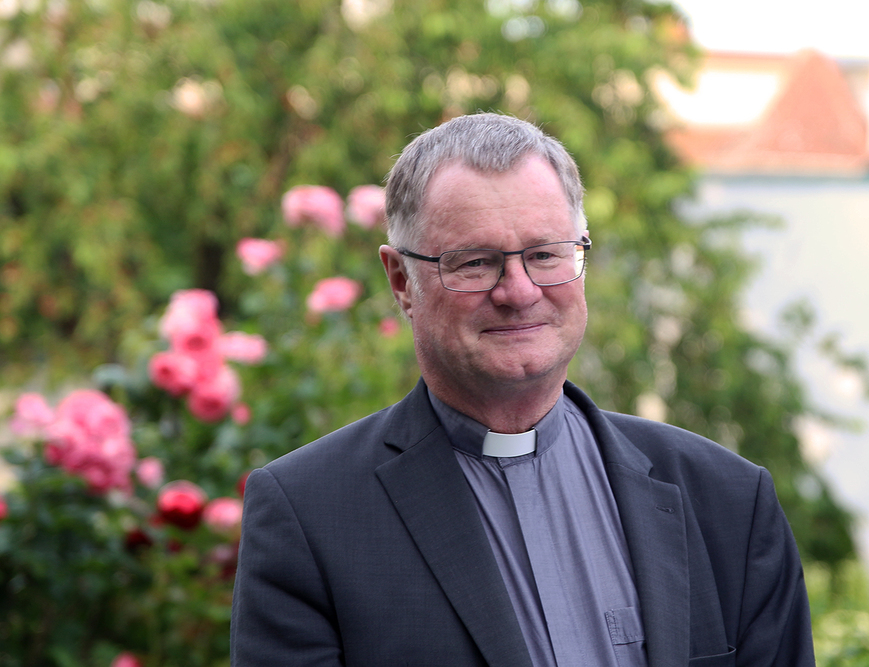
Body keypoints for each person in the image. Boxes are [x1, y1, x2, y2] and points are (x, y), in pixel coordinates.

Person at [230, 112, 815, 666]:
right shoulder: (310, 516)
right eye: (475, 263)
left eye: (544, 254)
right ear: (402, 280)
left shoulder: (729, 503)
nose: (519, 291)